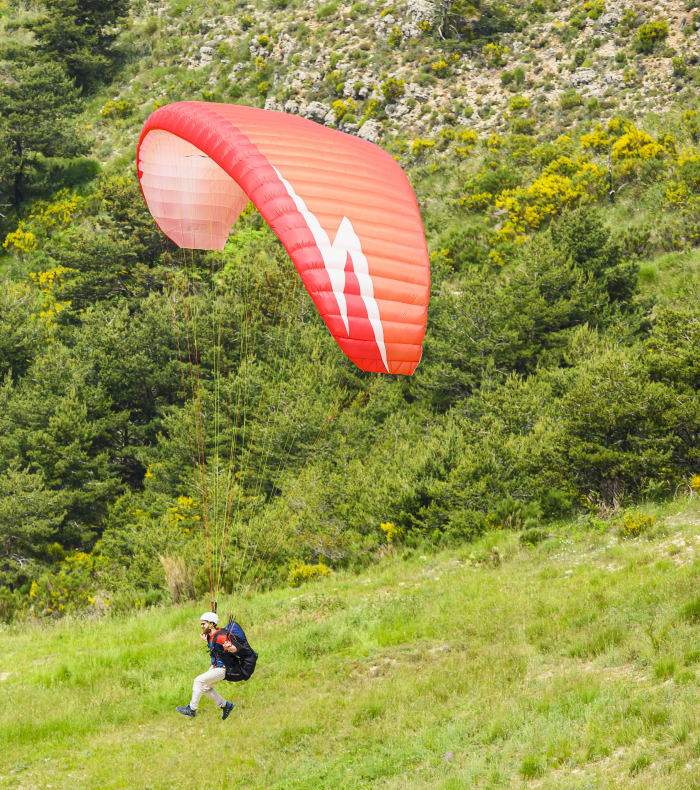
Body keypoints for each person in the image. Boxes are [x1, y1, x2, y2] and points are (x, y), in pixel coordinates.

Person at [176, 611, 236, 720]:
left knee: (198, 681)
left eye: (203, 623)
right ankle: (226, 705)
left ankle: (192, 709)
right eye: (201, 624)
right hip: (215, 667)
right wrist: (207, 641)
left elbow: (233, 648)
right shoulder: (212, 636)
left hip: (221, 669)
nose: (201, 626)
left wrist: (229, 647)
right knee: (205, 687)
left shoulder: (220, 636)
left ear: (211, 624)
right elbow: (215, 647)